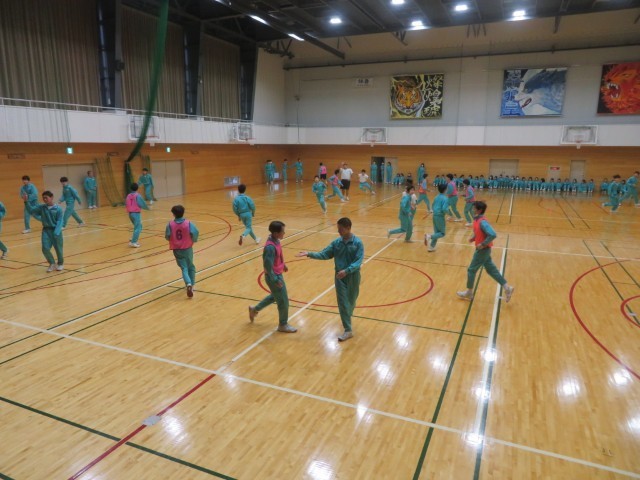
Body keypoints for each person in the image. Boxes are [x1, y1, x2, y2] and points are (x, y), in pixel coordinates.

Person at [297, 217, 364, 342]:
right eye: (338, 229)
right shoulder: (336, 243)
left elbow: (358, 261)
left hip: (353, 277)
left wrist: (347, 271)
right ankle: (348, 330)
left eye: (341, 229)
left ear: (348, 228)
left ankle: (347, 317)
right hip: (339, 277)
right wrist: (309, 254)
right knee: (343, 303)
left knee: (351, 302)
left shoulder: (358, 243)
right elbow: (324, 254)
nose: (338, 231)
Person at [457, 201, 515, 303]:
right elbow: (479, 232)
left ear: (479, 210)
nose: (472, 209)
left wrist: (483, 244)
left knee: (471, 270)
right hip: (484, 251)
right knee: (491, 270)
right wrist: (473, 238)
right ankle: (507, 288)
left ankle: (469, 292)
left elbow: (492, 234)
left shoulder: (482, 222)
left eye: (474, 208)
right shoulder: (476, 220)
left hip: (482, 250)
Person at [249, 221, 297, 333]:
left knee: (275, 297)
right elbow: (268, 266)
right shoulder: (270, 247)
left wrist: (283, 264)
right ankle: (283, 325)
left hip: (277, 274)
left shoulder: (276, 240)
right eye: (282, 231)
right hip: (273, 277)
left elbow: (278, 255)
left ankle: (254, 309)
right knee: (283, 301)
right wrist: (275, 280)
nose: (284, 233)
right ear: (276, 233)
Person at [25, 191, 64, 272]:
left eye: (46, 197)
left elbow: (60, 221)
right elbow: (31, 211)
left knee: (58, 249)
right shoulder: (42, 207)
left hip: (56, 231)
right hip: (46, 230)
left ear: (52, 197)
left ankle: (60, 263)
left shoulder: (58, 209)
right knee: (45, 248)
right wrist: (26, 202)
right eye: (43, 198)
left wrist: (56, 232)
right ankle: (52, 263)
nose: (44, 199)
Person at [165, 205, 199, 298]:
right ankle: (192, 285)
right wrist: (194, 240)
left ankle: (188, 284)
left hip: (177, 249)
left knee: (184, 268)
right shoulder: (188, 223)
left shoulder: (170, 224)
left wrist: (173, 240)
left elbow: (167, 236)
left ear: (173, 214)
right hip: (187, 248)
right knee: (191, 266)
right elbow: (195, 232)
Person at [424, 183, 448, 252]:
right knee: (442, 233)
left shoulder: (436, 197)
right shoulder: (445, 199)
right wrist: (448, 214)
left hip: (434, 216)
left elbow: (433, 205)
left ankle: (431, 247)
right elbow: (444, 209)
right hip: (440, 216)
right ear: (445, 190)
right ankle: (429, 236)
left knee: (437, 232)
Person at [126, 183, 149, 248]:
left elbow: (126, 203)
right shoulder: (137, 196)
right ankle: (133, 242)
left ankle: (133, 238)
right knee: (138, 228)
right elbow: (142, 203)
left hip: (130, 214)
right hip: (136, 213)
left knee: (139, 227)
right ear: (137, 188)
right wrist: (147, 208)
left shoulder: (128, 195)